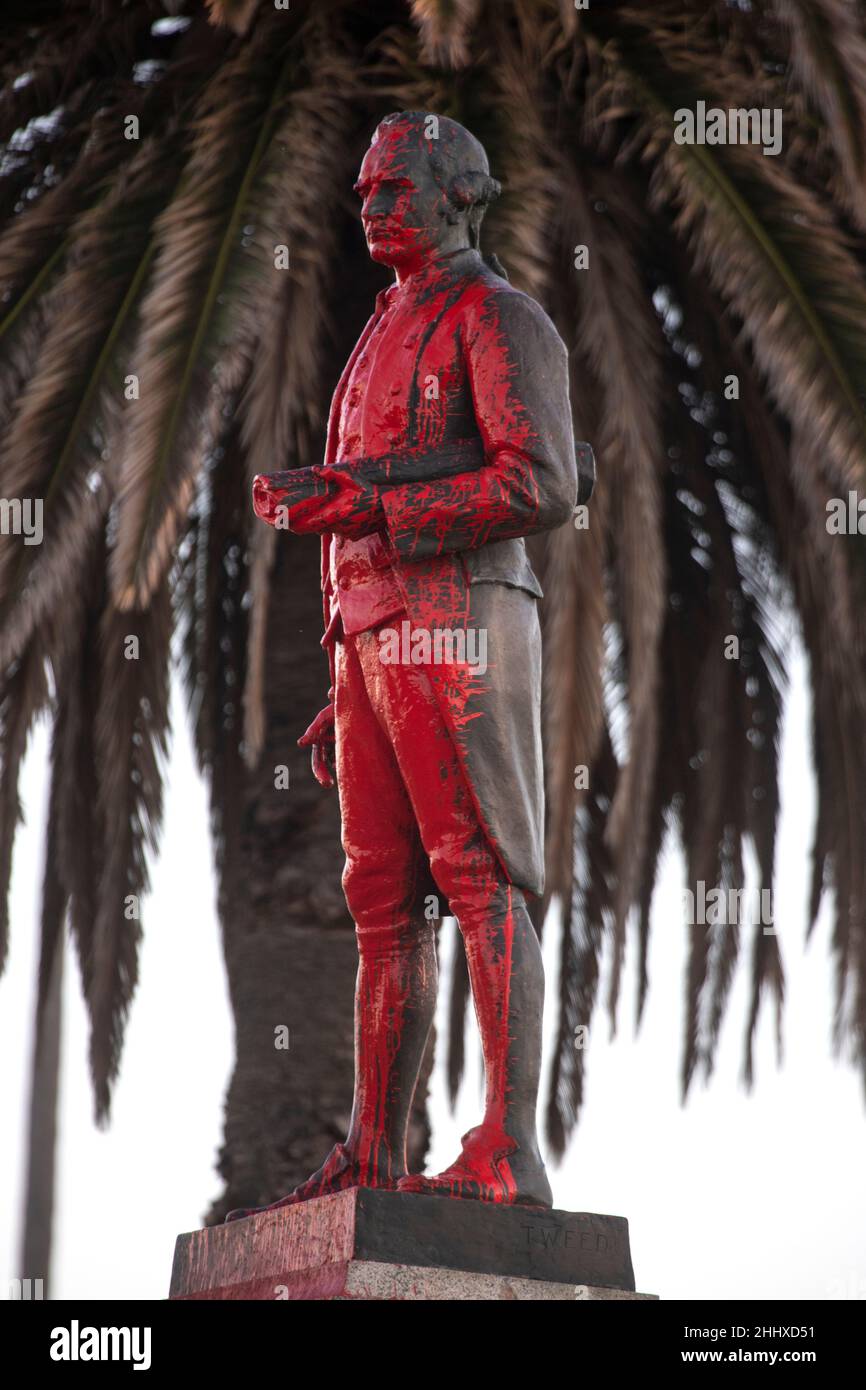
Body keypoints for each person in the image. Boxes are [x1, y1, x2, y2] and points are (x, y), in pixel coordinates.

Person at [228, 110, 593, 1217]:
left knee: (479, 870)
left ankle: (506, 1146)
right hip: (375, 641)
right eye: (364, 191)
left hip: (459, 620)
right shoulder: (379, 328)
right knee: (381, 898)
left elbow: (544, 484)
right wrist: (346, 663)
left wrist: (370, 503)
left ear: (460, 195)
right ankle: (372, 1153)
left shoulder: (498, 315)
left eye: (392, 189)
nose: (369, 208)